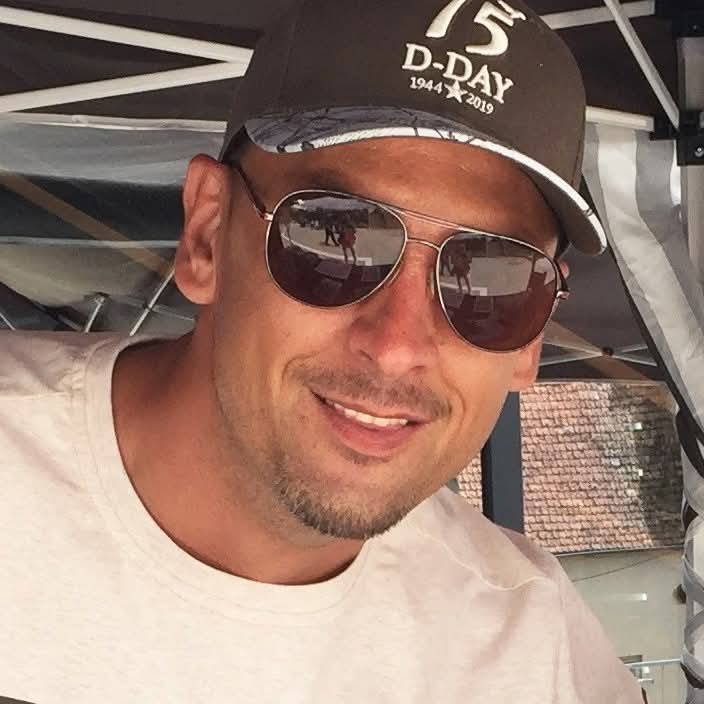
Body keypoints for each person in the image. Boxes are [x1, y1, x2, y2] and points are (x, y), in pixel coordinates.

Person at [0, 0, 644, 702]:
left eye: (496, 280)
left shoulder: (532, 647)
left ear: (534, 338)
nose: (397, 346)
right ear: (208, 233)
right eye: (335, 238)